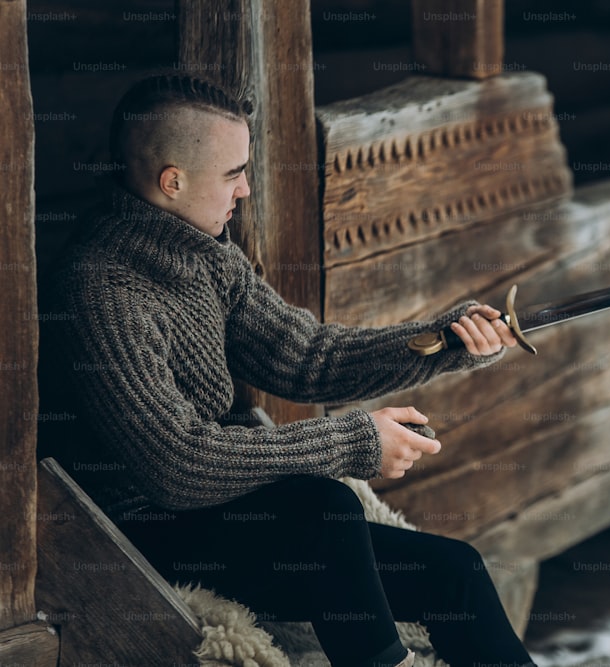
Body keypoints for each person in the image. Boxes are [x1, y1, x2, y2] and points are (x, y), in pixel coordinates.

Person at [41, 74, 537, 667]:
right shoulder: (101, 288)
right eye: (233, 174)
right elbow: (176, 464)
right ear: (172, 181)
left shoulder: (207, 254)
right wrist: (354, 441)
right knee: (322, 508)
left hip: (224, 516)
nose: (246, 189)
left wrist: (444, 340)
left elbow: (307, 357)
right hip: (138, 536)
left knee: (457, 573)